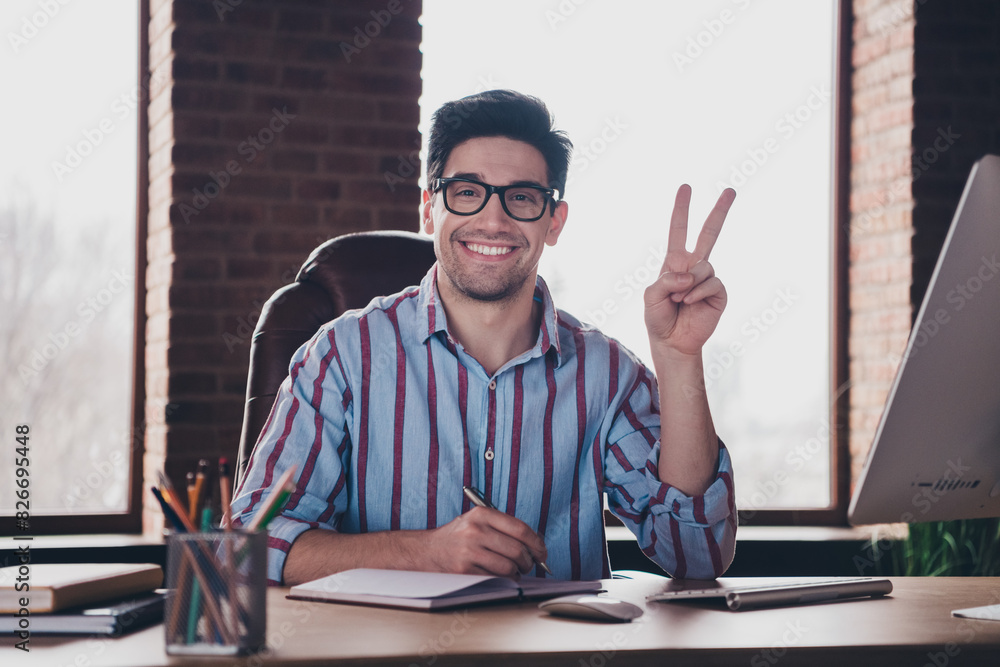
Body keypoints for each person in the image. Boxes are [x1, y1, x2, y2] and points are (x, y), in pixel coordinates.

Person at [231, 89, 738, 586]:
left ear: (553, 222)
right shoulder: (341, 356)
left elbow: (698, 554)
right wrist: (423, 553)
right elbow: (246, 546)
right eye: (468, 192)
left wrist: (679, 357)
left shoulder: (607, 374)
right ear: (430, 208)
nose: (493, 221)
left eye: (521, 197)